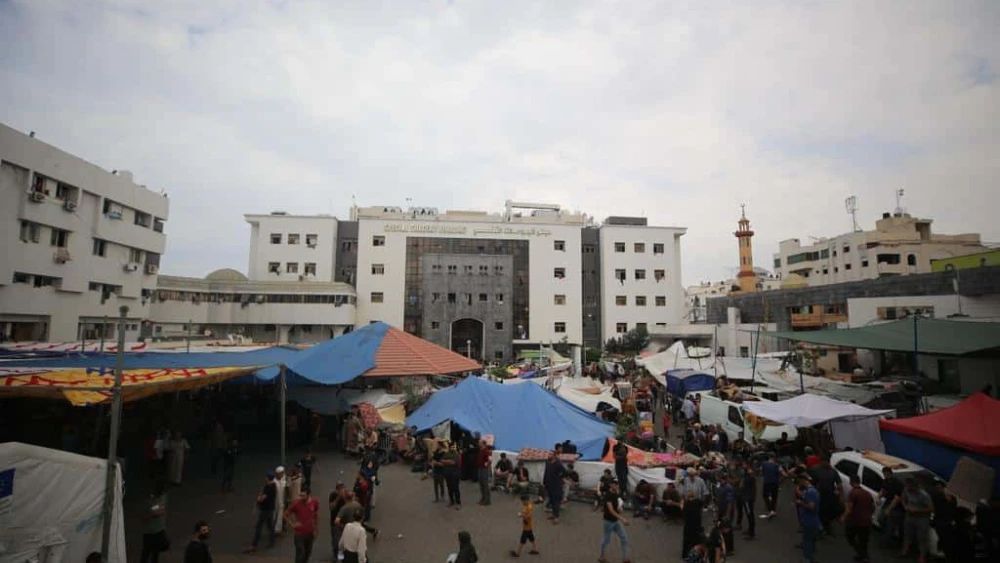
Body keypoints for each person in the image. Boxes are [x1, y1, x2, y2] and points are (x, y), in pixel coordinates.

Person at [899, 477, 934, 563]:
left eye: (908, 486)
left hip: (921, 518)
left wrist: (917, 511)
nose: (907, 487)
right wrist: (905, 506)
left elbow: (931, 508)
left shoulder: (923, 495)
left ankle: (922, 557)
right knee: (907, 534)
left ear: (914, 486)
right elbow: (902, 498)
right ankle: (905, 551)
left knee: (921, 538)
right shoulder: (906, 490)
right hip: (909, 516)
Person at [842, 473, 874, 563]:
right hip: (867, 521)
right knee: (863, 540)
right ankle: (864, 556)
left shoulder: (853, 493)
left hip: (856, 521)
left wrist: (843, 517)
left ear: (851, 482)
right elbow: (873, 507)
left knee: (850, 536)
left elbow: (849, 509)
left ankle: (862, 554)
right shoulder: (867, 493)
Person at [598, 479, 631, 563]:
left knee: (624, 538)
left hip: (616, 521)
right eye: (615, 484)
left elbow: (617, 504)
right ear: (611, 485)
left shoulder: (616, 493)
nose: (617, 486)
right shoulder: (607, 495)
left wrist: (620, 508)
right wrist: (622, 519)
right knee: (606, 539)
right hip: (608, 522)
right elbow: (611, 510)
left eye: (617, 484)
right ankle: (601, 557)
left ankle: (625, 558)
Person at [284, 485, 319, 563]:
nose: (301, 497)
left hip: (310, 533)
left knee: (307, 553)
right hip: (299, 534)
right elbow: (285, 514)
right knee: (300, 554)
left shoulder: (314, 502)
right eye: (300, 495)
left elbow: (315, 515)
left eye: (303, 496)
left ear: (309, 495)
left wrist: (316, 529)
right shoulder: (296, 503)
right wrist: (292, 524)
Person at [245, 472, 277, 552]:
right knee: (270, 526)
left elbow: (261, 499)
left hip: (266, 510)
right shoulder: (271, 486)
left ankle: (254, 545)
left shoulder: (269, 488)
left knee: (259, 526)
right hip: (269, 509)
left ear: (268, 478)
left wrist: (259, 498)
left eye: (266, 477)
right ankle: (272, 541)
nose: (264, 478)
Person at [139, 482, 168, 563]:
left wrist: (152, 510)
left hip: (157, 531)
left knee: (154, 554)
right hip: (150, 532)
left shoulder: (160, 497)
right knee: (146, 553)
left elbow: (159, 510)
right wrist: (154, 510)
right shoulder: (149, 500)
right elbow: (156, 511)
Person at [795, 473, 821, 563]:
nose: (799, 484)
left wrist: (800, 503)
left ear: (803, 480)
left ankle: (807, 559)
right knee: (811, 540)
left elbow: (811, 506)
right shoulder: (810, 490)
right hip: (811, 520)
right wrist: (801, 496)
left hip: (809, 521)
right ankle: (811, 557)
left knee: (807, 541)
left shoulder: (810, 492)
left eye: (799, 482)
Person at [879, 466, 905, 546]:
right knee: (881, 518)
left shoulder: (897, 483)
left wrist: (889, 509)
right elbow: (883, 490)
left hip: (897, 505)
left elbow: (897, 498)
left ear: (889, 473)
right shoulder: (886, 481)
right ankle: (886, 536)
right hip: (888, 501)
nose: (884, 475)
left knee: (890, 523)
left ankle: (886, 541)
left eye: (885, 474)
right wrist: (879, 496)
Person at [542, 448, 567, 524]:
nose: (549, 455)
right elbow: (546, 472)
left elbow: (564, 472)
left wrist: (559, 478)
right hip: (549, 485)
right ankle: (553, 514)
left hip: (556, 486)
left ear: (554, 456)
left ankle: (556, 517)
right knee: (552, 501)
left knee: (556, 502)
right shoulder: (547, 462)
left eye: (550, 454)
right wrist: (544, 482)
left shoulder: (558, 463)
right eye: (548, 454)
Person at [716, 473, 736, 555]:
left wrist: (727, 515)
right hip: (721, 511)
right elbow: (719, 500)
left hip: (726, 512)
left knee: (727, 531)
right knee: (722, 530)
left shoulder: (728, 488)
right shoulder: (720, 486)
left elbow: (730, 503)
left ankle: (729, 549)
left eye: (720, 479)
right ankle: (724, 547)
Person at [759, 453, 783, 519]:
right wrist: (780, 480)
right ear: (774, 458)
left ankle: (770, 509)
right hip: (775, 483)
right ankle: (773, 510)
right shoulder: (777, 465)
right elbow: (784, 474)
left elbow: (761, 471)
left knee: (765, 495)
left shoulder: (764, 464)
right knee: (774, 496)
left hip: (767, 482)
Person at [681, 490, 705, 558]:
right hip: (697, 525)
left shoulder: (686, 503)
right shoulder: (698, 502)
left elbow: (683, 513)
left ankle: (686, 554)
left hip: (688, 525)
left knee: (687, 540)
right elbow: (703, 503)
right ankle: (697, 553)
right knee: (696, 539)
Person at [441, 441, 462, 509]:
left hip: (455, 474)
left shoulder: (457, 454)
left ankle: (458, 502)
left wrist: (446, 461)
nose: (454, 448)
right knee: (449, 488)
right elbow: (442, 461)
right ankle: (451, 501)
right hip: (447, 474)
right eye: (452, 447)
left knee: (455, 488)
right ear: (449, 447)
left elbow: (453, 462)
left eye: (455, 447)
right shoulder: (446, 453)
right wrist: (448, 461)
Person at [329, 482, 347, 558]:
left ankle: (341, 557)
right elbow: (331, 507)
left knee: (343, 542)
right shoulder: (333, 495)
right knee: (336, 542)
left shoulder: (346, 495)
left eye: (342, 488)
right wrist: (338, 498)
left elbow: (348, 506)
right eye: (339, 488)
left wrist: (344, 497)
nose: (341, 490)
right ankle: (336, 555)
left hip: (344, 522)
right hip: (335, 522)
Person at [740, 458, 757, 540]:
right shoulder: (747, 473)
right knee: (749, 514)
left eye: (744, 464)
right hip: (748, 496)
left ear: (748, 465)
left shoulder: (749, 475)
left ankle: (752, 533)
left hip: (748, 497)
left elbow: (743, 485)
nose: (742, 466)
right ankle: (750, 529)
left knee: (750, 515)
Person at [476, 439, 492, 506]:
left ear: (483, 444)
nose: (478, 443)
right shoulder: (481, 450)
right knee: (481, 484)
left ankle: (487, 500)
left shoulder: (486, 451)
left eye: (479, 442)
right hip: (480, 469)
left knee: (485, 485)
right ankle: (483, 499)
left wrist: (487, 463)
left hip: (484, 469)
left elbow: (490, 459)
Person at [273, 466, 288, 534]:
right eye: (281, 473)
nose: (282, 474)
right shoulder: (274, 482)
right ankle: (274, 528)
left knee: (280, 516)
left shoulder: (283, 479)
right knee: (274, 515)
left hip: (281, 501)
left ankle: (278, 530)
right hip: (275, 502)